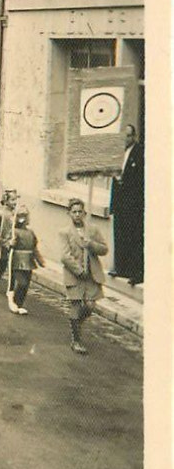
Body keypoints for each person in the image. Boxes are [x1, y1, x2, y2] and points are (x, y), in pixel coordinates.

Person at [60, 198, 109, 355]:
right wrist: (79, 270)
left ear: (84, 213)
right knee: (75, 305)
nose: (77, 214)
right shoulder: (65, 232)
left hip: (91, 275)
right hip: (75, 275)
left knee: (89, 306)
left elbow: (104, 249)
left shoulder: (93, 230)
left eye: (80, 211)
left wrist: (91, 244)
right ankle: (76, 340)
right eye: (74, 212)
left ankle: (76, 324)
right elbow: (65, 256)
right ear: (69, 213)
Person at [109, 124, 144, 286]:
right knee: (120, 235)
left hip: (134, 203)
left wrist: (124, 180)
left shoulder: (139, 153)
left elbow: (140, 180)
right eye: (122, 136)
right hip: (120, 202)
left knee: (134, 237)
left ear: (134, 137)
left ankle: (135, 272)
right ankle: (120, 267)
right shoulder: (118, 153)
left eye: (128, 136)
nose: (125, 139)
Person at [5, 204, 45, 315]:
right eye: (20, 216)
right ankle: (12, 300)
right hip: (17, 260)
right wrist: (10, 243)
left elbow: (34, 247)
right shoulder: (14, 232)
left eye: (24, 216)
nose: (22, 219)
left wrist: (40, 260)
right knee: (21, 283)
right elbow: (7, 244)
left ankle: (19, 304)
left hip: (29, 260)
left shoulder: (30, 232)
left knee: (26, 284)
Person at [0, 188, 18, 292]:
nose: (15, 203)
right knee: (2, 264)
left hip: (14, 243)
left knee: (14, 265)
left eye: (15, 200)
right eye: (12, 200)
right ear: (6, 201)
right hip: (3, 244)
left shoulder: (16, 215)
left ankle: (11, 288)